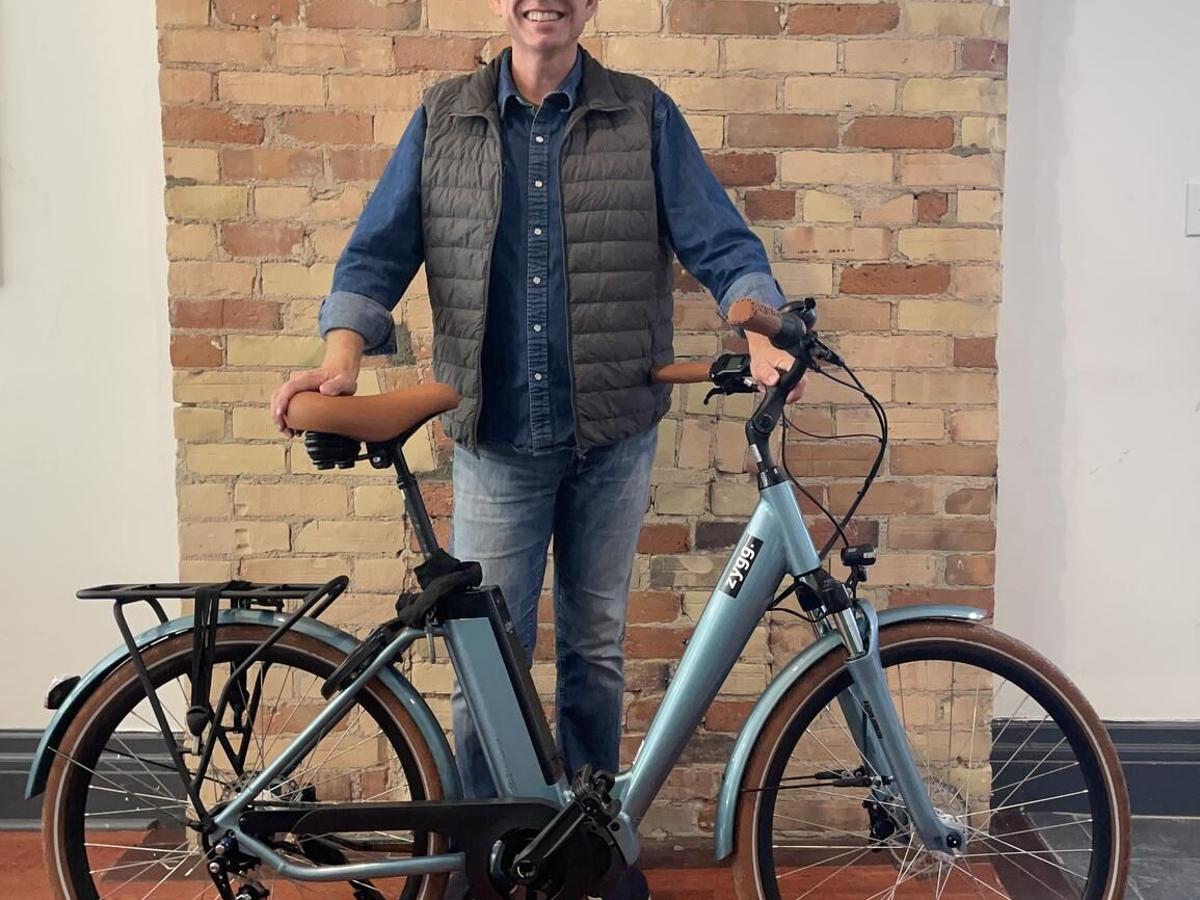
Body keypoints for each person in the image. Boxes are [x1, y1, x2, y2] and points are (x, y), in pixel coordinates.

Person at [271, 0, 803, 895]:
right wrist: (341, 356)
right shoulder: (445, 116)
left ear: (589, 5)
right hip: (496, 440)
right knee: (490, 662)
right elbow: (375, 254)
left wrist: (759, 323)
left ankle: (586, 858)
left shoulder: (642, 113)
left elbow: (718, 239)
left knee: (594, 653)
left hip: (611, 434)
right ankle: (485, 870)